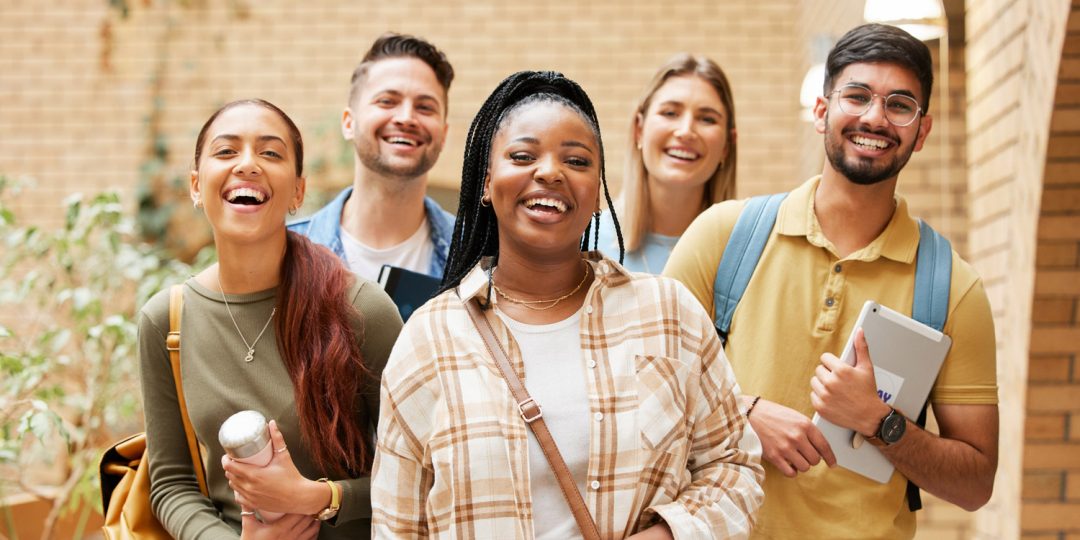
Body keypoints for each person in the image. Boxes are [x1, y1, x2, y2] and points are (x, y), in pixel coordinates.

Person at [371, 71, 763, 539]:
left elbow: (735, 466)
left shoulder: (669, 313)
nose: (550, 172)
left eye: (576, 161)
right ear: (485, 181)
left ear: (597, 192)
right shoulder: (428, 339)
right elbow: (398, 527)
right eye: (523, 155)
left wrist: (664, 535)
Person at [664, 23, 998, 539]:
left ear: (922, 130)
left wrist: (880, 422)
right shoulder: (723, 236)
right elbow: (637, 386)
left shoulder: (955, 288)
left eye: (900, 104)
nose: (874, 117)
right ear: (822, 111)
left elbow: (975, 484)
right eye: (857, 96)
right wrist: (742, 413)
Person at [138, 99, 403, 539]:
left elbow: (422, 472)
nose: (247, 165)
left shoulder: (361, 310)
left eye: (270, 153)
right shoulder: (166, 322)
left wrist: (317, 499)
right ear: (195, 186)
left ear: (298, 191)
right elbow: (171, 484)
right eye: (226, 152)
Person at [288, 32, 455, 282]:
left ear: (443, 134)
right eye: (387, 101)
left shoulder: (480, 258)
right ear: (348, 123)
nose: (406, 118)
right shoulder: (285, 256)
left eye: (425, 107)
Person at [596, 53, 737, 274]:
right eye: (670, 113)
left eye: (707, 119)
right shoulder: (583, 245)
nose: (686, 131)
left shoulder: (747, 257)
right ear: (639, 130)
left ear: (727, 145)